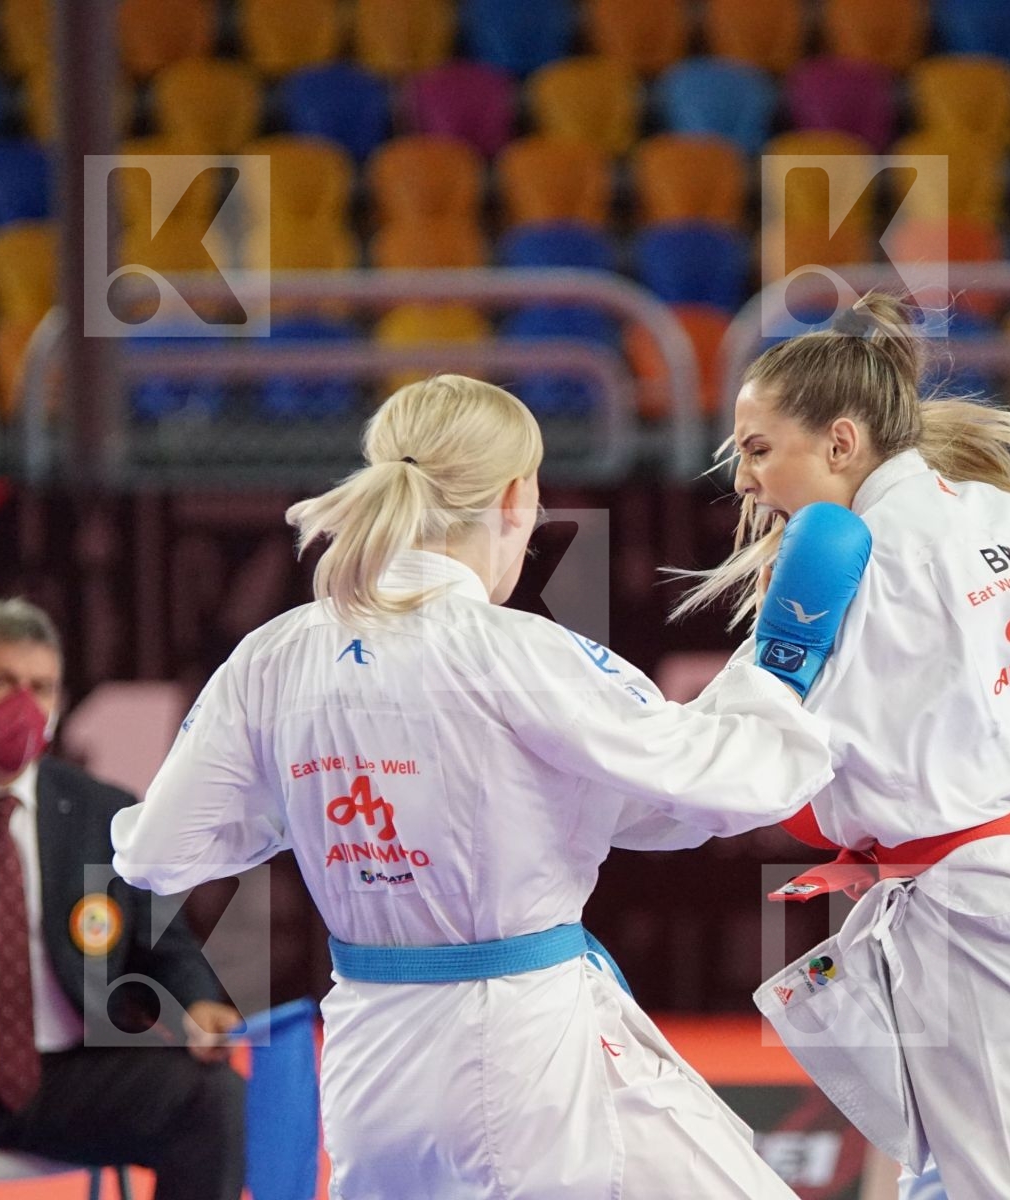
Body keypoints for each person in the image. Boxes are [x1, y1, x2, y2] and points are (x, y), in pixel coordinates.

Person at [111, 374, 872, 1200]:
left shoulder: (270, 654)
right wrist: (783, 660)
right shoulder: (515, 650)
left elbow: (157, 854)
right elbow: (721, 781)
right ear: (516, 499)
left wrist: (312, 804)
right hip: (518, 1048)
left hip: (371, 1055)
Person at [679, 295, 1010, 1199]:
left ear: (841, 444)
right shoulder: (1002, 515)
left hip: (992, 933)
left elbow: (767, 763)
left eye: (759, 450)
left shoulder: (862, 558)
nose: (742, 478)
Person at [0, 598, 244, 1200]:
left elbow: (165, 942)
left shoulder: (100, 811)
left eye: (40, 687)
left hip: (72, 1074)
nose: (21, 705)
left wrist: (197, 1003)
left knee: (210, 1096)